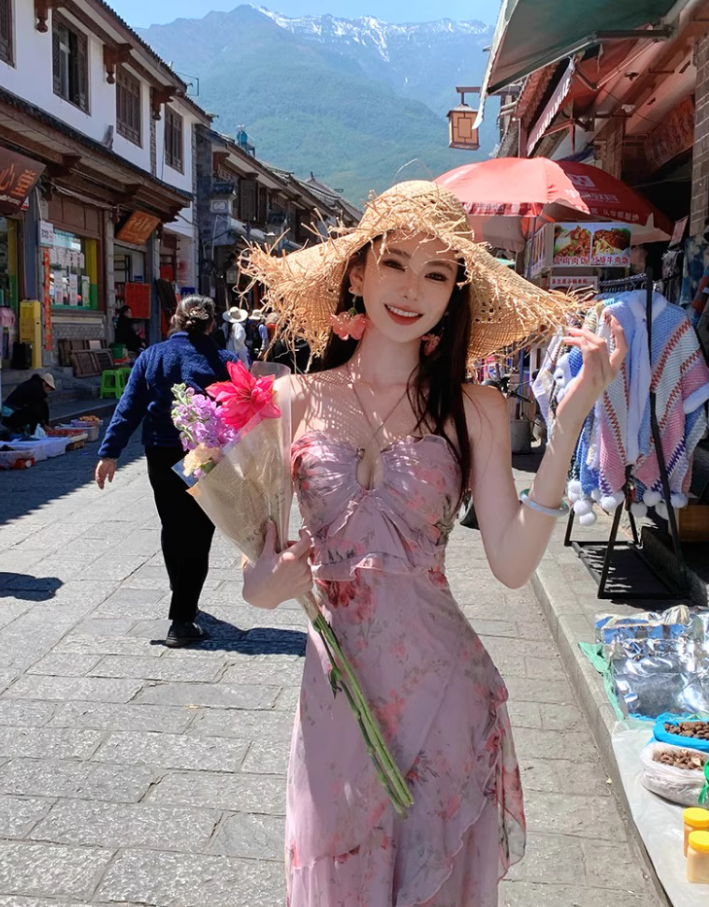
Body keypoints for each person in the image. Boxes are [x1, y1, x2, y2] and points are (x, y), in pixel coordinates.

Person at [238, 181, 627, 906]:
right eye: (395, 263)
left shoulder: (475, 407)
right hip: (337, 704)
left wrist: (569, 426)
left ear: (456, 293)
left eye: (437, 272)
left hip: (445, 697)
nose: (412, 288)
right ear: (358, 272)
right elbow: (254, 584)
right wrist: (276, 580)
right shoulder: (292, 400)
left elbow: (511, 564)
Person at [94, 296, 237, 648]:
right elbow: (242, 406)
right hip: (203, 453)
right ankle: (182, 618)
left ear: (174, 320)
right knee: (199, 531)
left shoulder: (152, 356)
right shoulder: (223, 359)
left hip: (159, 451)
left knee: (173, 526)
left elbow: (128, 408)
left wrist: (109, 453)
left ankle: (181, 594)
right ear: (212, 324)